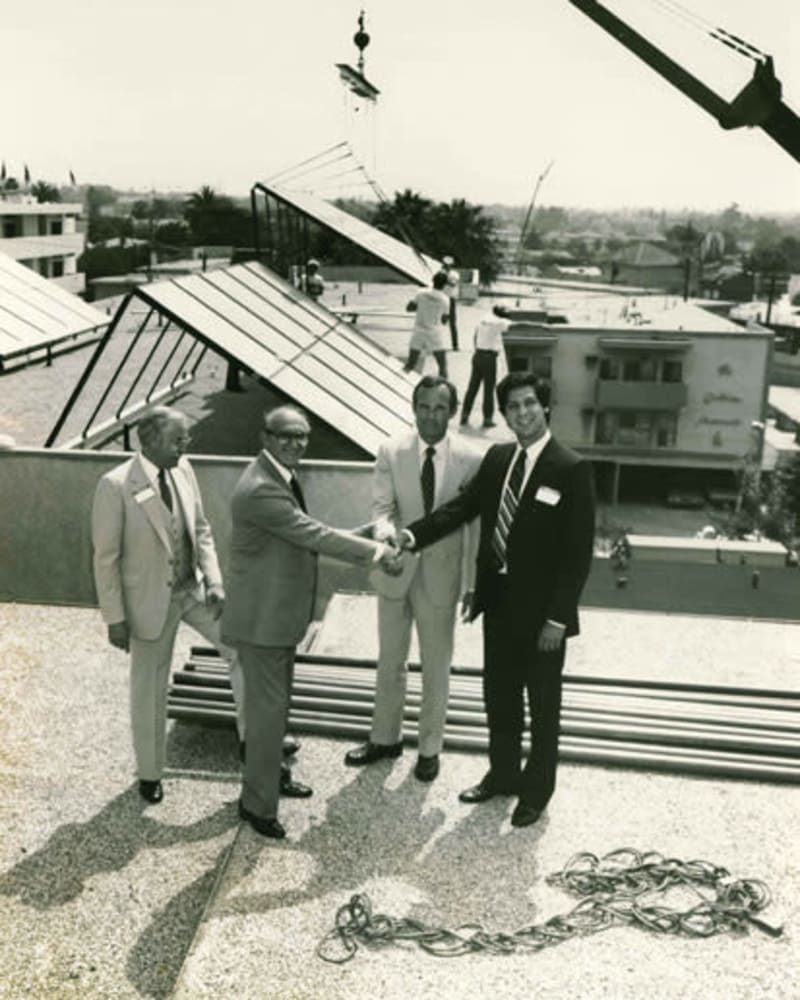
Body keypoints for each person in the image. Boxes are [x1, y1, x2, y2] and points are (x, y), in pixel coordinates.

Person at [401, 372, 595, 827]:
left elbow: (576, 555)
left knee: (543, 706)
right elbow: (460, 509)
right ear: (504, 414)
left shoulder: (570, 468)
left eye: (530, 404)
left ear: (544, 407)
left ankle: (536, 791)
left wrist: (558, 620)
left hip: (544, 616)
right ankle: (503, 775)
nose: (522, 413)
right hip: (500, 604)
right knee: (500, 698)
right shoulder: (498, 457)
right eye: (512, 407)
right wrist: (412, 534)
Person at [220, 405, 402, 839]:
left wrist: (370, 533)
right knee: (267, 717)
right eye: (285, 435)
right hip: (262, 623)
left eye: (301, 436)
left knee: (275, 711)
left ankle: (268, 781)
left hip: (275, 619)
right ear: (264, 437)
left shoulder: (279, 476)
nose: (294, 443)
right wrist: (378, 552)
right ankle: (258, 807)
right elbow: (312, 535)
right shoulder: (262, 488)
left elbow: (306, 530)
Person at [91, 406, 245, 805]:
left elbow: (201, 529)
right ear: (151, 442)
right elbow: (105, 559)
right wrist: (116, 618)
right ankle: (149, 774)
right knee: (150, 689)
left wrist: (214, 581)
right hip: (147, 603)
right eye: (179, 439)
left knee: (242, 650)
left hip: (191, 592)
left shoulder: (183, 468)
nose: (186, 444)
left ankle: (254, 746)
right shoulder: (115, 485)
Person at [344, 376, 481, 782]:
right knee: (390, 661)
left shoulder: (472, 459)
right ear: (413, 407)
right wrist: (386, 543)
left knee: (436, 666)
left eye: (440, 408)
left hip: (441, 575)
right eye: (423, 406)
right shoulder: (391, 450)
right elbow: (382, 509)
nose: (430, 415)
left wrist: (471, 584)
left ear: (452, 412)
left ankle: (429, 749)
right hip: (395, 570)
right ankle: (384, 738)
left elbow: (473, 526)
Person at [460, 305, 510, 430]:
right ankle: (487, 419)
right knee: (488, 389)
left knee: (472, 387)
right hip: (489, 358)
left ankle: (464, 415)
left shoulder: (483, 319)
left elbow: (475, 337)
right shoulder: (499, 322)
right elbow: (517, 326)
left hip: (477, 355)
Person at [404, 272, 451, 377]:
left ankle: (398, 384)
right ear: (444, 285)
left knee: (410, 364)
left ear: (433, 281)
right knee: (442, 366)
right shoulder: (445, 299)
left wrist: (422, 307)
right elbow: (444, 321)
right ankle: (444, 388)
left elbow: (409, 308)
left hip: (419, 331)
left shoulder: (420, 293)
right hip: (434, 333)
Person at [441, 255, 460, 350]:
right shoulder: (440, 273)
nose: (447, 267)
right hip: (441, 298)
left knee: (452, 323)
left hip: (451, 299)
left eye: (448, 265)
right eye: (445, 265)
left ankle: (455, 345)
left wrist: (444, 278)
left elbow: (453, 283)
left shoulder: (454, 274)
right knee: (437, 322)